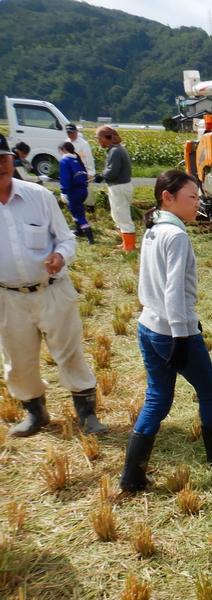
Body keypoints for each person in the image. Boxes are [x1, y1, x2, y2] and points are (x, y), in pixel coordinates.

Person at [119, 170, 212, 493]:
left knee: (158, 398)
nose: (197, 205)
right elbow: (173, 292)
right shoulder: (176, 236)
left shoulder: (154, 229)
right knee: (211, 392)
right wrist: (180, 336)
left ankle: (132, 475)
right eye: (192, 198)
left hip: (148, 326)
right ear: (167, 197)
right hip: (173, 331)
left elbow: (152, 286)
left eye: (199, 198)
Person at [0, 132, 107, 437]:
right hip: (8, 296)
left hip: (52, 290)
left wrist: (60, 256)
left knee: (70, 351)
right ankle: (35, 413)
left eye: (3, 159)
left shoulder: (38, 196)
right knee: (18, 358)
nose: (1, 166)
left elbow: (65, 238)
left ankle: (87, 415)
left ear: (11, 159)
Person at [94, 126, 135, 251]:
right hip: (120, 187)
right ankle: (125, 243)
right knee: (118, 216)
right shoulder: (116, 149)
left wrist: (101, 176)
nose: (98, 141)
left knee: (122, 217)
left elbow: (112, 172)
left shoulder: (115, 151)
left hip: (119, 187)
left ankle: (129, 247)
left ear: (106, 138)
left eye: (99, 138)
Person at [57, 142, 93, 244]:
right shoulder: (77, 159)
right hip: (83, 190)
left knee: (78, 214)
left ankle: (90, 237)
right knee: (76, 210)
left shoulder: (65, 161)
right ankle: (79, 230)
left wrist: (64, 191)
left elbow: (65, 178)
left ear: (63, 150)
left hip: (73, 191)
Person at [64, 124, 96, 208]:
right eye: (68, 133)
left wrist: (91, 172)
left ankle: (90, 208)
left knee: (87, 192)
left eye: (72, 132)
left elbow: (88, 158)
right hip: (71, 172)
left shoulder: (83, 144)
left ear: (76, 132)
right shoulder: (66, 142)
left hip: (83, 171)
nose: (70, 134)